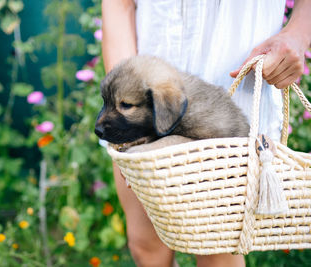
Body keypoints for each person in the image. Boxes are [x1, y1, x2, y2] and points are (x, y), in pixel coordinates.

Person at [101, 1, 311, 267]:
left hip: (227, 98)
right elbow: (118, 5)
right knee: (146, 245)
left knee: (217, 255)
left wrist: (297, 32)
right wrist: (124, 97)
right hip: (148, 94)